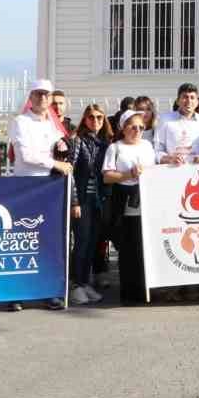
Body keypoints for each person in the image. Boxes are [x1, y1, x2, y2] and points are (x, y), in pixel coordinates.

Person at [102, 110, 158, 305]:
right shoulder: (115, 148)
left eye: (141, 127)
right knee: (127, 250)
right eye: (133, 126)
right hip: (125, 201)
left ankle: (146, 290)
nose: (137, 130)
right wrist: (129, 175)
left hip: (148, 201)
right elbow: (107, 176)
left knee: (145, 248)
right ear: (123, 128)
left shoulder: (148, 145)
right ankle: (128, 293)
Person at [68, 104, 111, 305]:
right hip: (82, 201)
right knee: (82, 242)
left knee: (93, 243)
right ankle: (76, 285)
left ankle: (85, 283)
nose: (96, 121)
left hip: (97, 202)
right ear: (85, 119)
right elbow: (71, 173)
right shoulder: (77, 141)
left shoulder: (104, 143)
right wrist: (74, 201)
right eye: (91, 117)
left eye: (99, 117)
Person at [10, 79, 71, 179]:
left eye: (46, 94)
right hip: (27, 180)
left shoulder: (52, 123)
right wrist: (56, 164)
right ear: (30, 97)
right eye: (38, 94)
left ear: (51, 98)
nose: (43, 98)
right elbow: (26, 155)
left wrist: (62, 146)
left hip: (51, 180)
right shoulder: (21, 121)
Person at [155, 83, 199, 164]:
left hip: (198, 171)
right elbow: (157, 151)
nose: (188, 101)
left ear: (197, 102)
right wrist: (170, 159)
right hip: (172, 170)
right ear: (177, 101)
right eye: (185, 97)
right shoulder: (165, 119)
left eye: (192, 97)